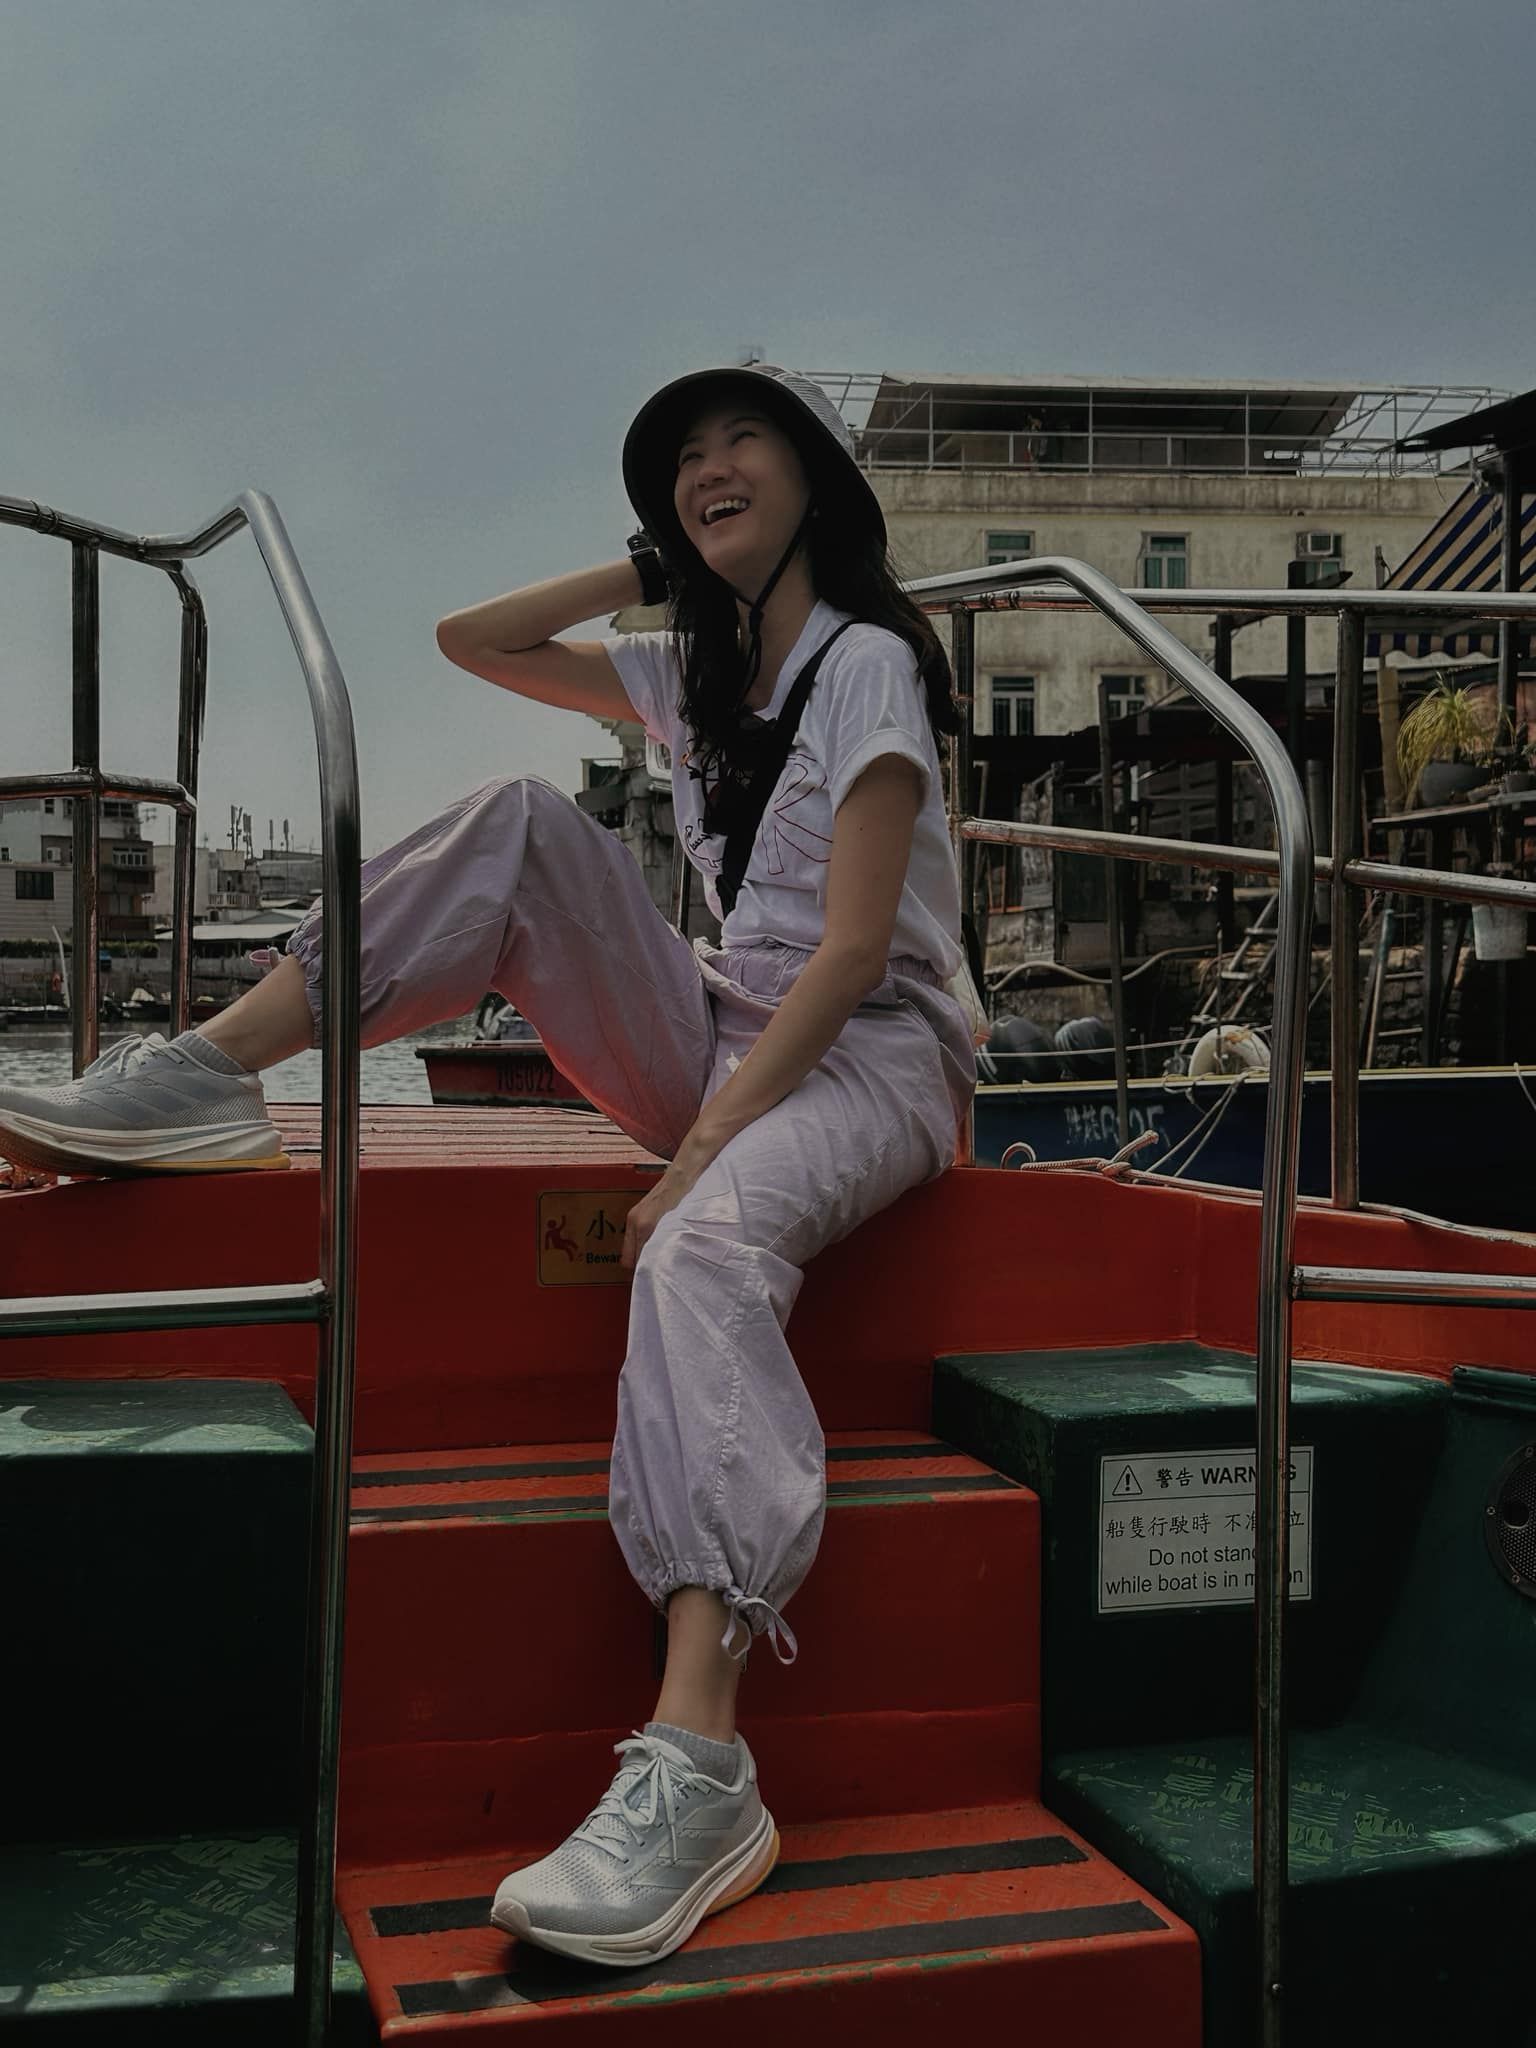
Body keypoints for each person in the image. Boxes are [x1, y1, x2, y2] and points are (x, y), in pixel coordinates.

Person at [0, 364, 975, 1968]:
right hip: (735, 1031)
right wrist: (653, 568)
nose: (708, 467)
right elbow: (477, 644)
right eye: (682, 459)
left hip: (870, 1060)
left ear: (820, 477)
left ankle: (703, 1767)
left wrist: (705, 1155)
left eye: (743, 442)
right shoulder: (699, 672)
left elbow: (860, 951)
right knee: (524, 817)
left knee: (702, 1252)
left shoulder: (867, 662)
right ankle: (204, 1073)